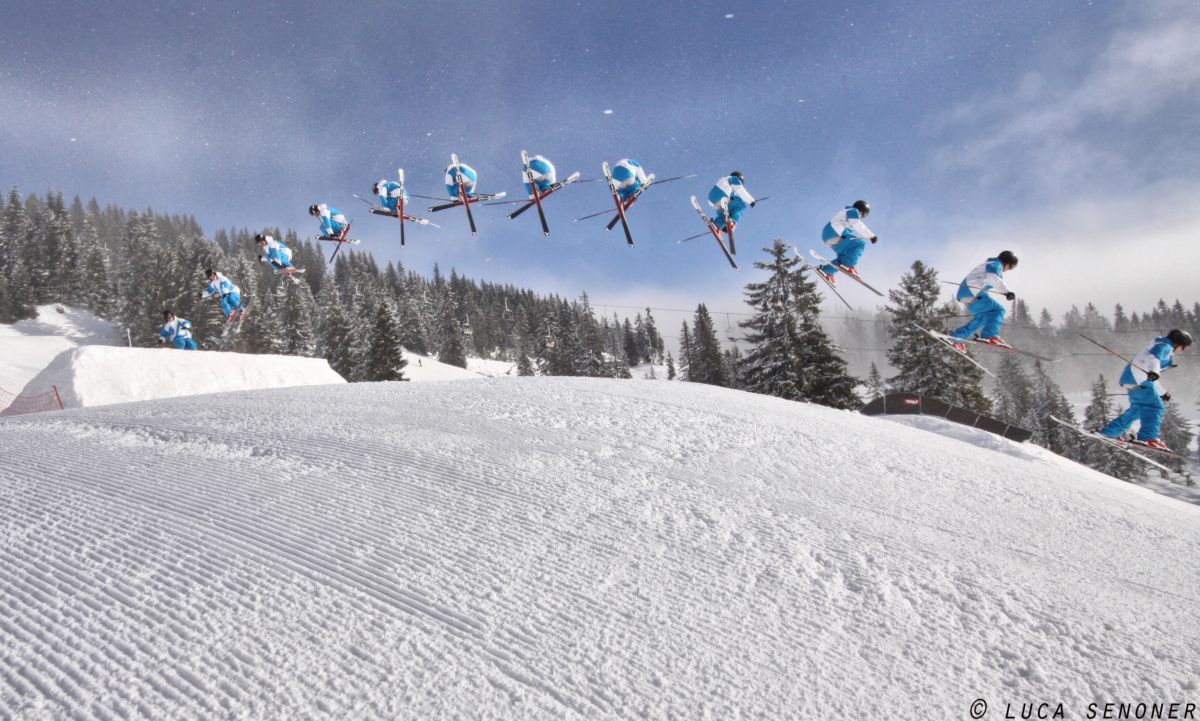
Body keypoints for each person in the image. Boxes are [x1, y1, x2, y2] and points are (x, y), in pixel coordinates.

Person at [1099, 329, 1192, 450]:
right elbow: (1154, 359)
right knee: (1155, 407)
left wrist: (1162, 392)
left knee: (1137, 410)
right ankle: (1148, 438)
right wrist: (1154, 371)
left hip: (1131, 380)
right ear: (1178, 343)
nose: (1183, 350)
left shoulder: (1157, 346)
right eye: (1183, 347)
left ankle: (1110, 432)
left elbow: (1152, 377)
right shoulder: (1166, 346)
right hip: (1139, 380)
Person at [947, 251, 1019, 352]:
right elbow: (994, 278)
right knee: (998, 310)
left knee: (984, 317)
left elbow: (990, 279)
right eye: (1011, 267)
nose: (1009, 270)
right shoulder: (996, 264)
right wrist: (1007, 292)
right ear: (1007, 262)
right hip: (973, 292)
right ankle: (990, 336)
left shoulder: (990, 264)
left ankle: (957, 338)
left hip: (967, 294)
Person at [816, 200, 877, 284]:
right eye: (864, 214)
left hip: (829, 238)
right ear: (861, 209)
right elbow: (857, 224)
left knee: (843, 257)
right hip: (834, 233)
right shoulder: (853, 211)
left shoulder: (845, 215)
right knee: (860, 244)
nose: (863, 216)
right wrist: (871, 236)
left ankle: (827, 271)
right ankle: (849, 265)